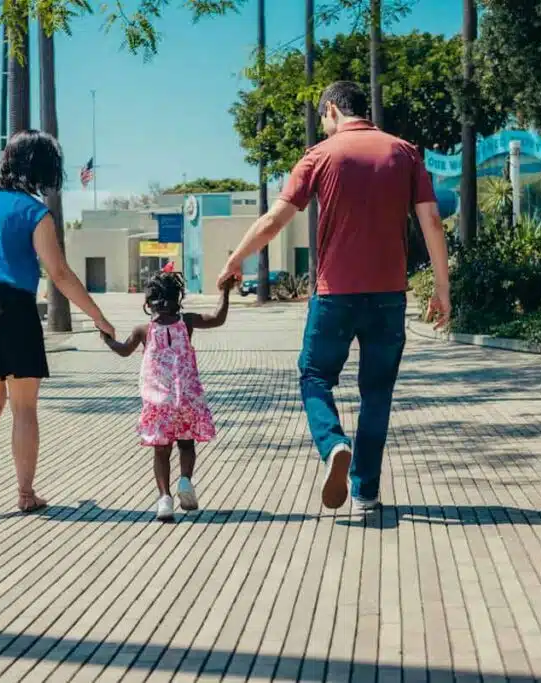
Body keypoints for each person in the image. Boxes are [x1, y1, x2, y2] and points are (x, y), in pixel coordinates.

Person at [217, 81, 451, 511]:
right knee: (377, 393)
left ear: (330, 111)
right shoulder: (404, 152)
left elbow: (274, 221)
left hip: (334, 295)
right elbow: (431, 220)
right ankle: (365, 491)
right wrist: (441, 288)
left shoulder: (320, 156)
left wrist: (236, 260)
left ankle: (332, 444)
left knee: (314, 376)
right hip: (389, 296)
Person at [0, 129, 116, 514]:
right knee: (23, 408)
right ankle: (25, 494)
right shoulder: (35, 212)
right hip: (14, 311)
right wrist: (99, 317)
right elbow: (59, 273)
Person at [100, 271, 235, 521]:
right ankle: (185, 481)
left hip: (158, 402)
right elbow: (218, 318)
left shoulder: (143, 330)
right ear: (178, 299)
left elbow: (123, 350)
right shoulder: (188, 323)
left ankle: (164, 499)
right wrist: (225, 292)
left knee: (161, 451)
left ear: (148, 303)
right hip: (186, 398)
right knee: (186, 444)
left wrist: (107, 339)